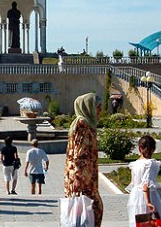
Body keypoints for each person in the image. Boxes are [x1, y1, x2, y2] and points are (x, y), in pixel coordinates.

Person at [64, 93, 103, 226]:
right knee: (93, 212)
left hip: (85, 179)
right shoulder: (83, 124)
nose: (100, 110)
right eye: (97, 106)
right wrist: (78, 180)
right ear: (88, 107)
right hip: (83, 181)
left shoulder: (85, 124)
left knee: (89, 216)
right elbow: (79, 155)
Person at [126, 135, 161, 227]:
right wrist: (148, 201)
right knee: (151, 221)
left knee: (139, 222)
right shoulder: (150, 163)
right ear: (153, 149)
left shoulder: (135, 164)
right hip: (147, 195)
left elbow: (135, 182)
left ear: (139, 148)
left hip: (135, 196)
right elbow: (146, 183)